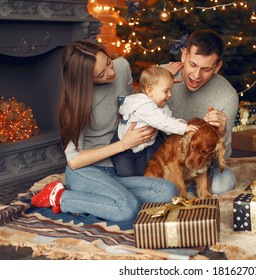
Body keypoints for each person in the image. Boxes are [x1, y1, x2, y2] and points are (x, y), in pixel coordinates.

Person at [30, 40, 178, 225]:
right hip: (87, 170)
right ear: (85, 79)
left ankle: (104, 197)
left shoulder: (122, 67)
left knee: (168, 192)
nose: (111, 73)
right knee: (127, 209)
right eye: (101, 74)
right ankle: (59, 196)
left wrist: (161, 79)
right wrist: (124, 144)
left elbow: (137, 102)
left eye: (108, 62)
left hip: (119, 168)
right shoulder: (75, 104)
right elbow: (74, 161)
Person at [163, 29, 239, 195]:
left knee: (222, 186)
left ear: (217, 67)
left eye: (206, 69)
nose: (196, 75)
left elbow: (222, 157)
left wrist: (221, 133)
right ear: (184, 55)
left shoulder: (227, 95)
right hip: (166, 158)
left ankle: (189, 187)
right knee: (163, 188)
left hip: (202, 164)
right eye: (193, 65)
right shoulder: (161, 76)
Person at [110, 65, 198, 177]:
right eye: (166, 91)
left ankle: (139, 182)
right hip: (123, 147)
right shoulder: (145, 106)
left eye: (171, 90)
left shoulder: (162, 107)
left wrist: (182, 124)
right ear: (149, 91)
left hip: (142, 147)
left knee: (142, 171)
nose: (170, 95)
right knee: (126, 173)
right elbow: (163, 122)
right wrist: (184, 128)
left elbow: (169, 121)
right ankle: (120, 182)